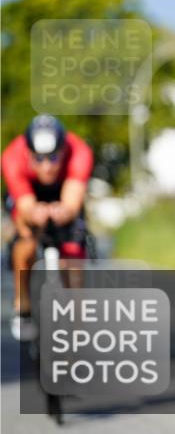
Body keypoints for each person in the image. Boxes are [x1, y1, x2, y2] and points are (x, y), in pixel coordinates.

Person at [2, 115, 93, 341]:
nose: (47, 166)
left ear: (63, 149)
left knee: (73, 252)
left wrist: (65, 211)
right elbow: (25, 204)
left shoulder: (79, 152)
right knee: (26, 238)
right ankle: (22, 305)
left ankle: (76, 327)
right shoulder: (12, 157)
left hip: (64, 191)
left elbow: (72, 202)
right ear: (27, 152)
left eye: (53, 157)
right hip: (30, 194)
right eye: (39, 158)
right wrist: (34, 213)